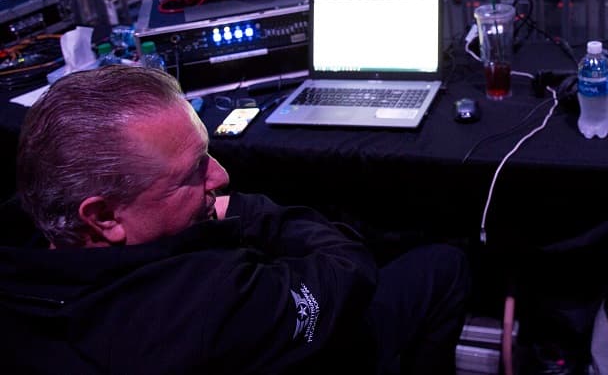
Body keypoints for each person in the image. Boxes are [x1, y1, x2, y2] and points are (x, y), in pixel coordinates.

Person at [0, 65, 470, 374]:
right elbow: (348, 268)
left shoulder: (25, 245)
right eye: (193, 172)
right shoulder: (211, 306)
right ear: (103, 216)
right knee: (443, 265)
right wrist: (247, 212)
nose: (221, 177)